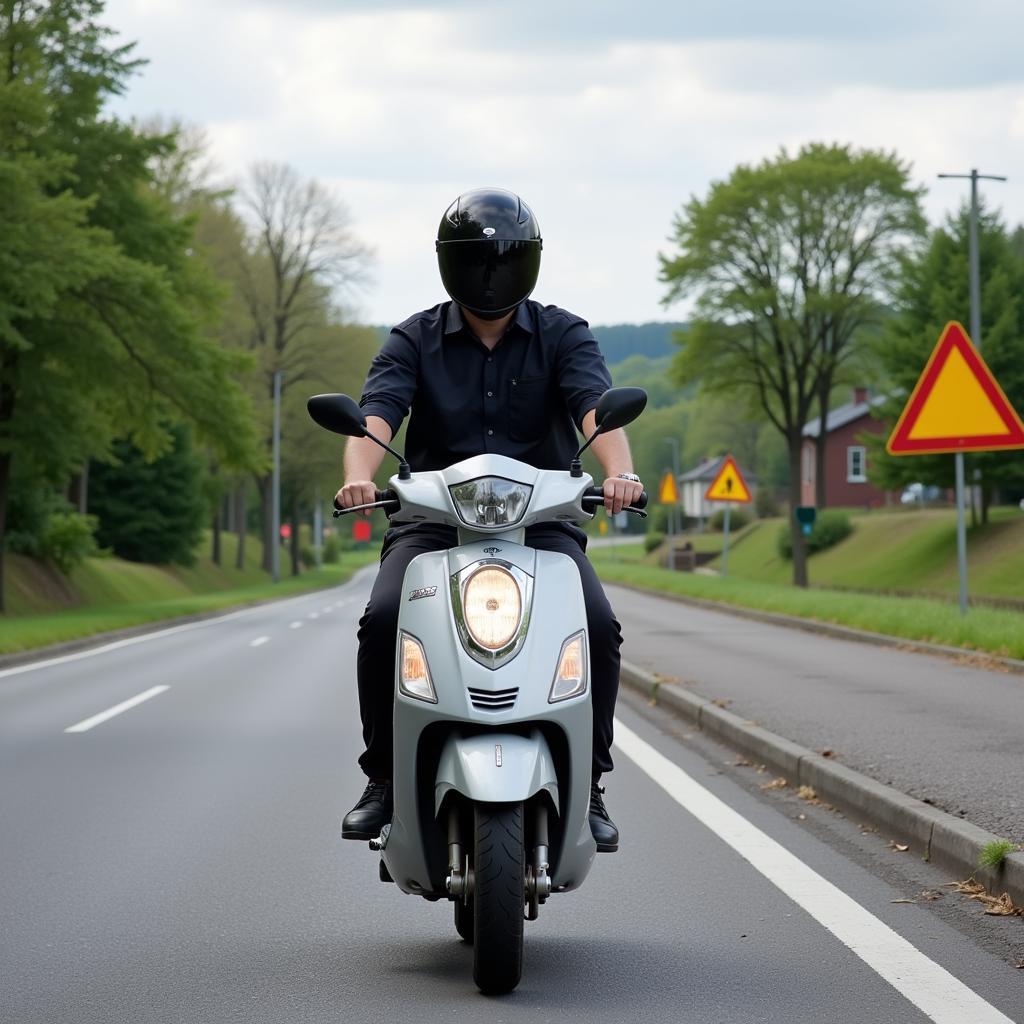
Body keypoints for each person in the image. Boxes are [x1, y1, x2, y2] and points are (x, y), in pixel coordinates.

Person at [336, 187, 644, 852]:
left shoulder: (563, 334)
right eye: (477, 258)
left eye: (502, 258)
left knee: (598, 625)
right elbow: (376, 414)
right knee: (382, 620)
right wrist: (358, 477)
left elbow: (596, 407)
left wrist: (621, 471)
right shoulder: (413, 338)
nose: (490, 270)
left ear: (527, 262)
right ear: (451, 264)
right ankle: (384, 779)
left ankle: (588, 782)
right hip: (433, 527)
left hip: (542, 526)